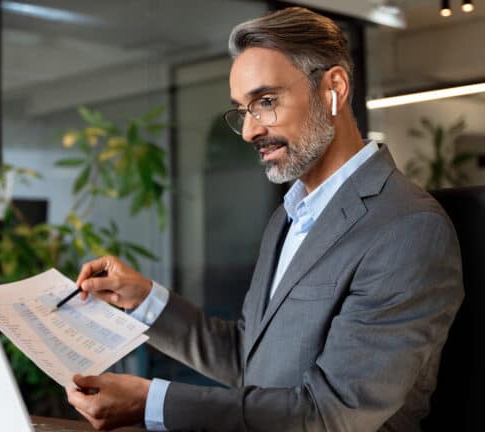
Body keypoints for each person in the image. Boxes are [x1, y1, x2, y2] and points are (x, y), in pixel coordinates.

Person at [64, 7, 464, 432]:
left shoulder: (408, 228)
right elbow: (250, 359)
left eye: (266, 102)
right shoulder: (288, 216)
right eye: (243, 110)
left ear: (334, 88)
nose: (249, 131)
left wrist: (153, 403)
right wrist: (145, 299)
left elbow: (333, 412)